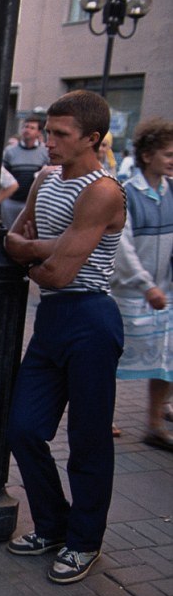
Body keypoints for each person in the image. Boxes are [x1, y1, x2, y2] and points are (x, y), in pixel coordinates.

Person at [4, 90, 127, 584]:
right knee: (24, 428)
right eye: (47, 132)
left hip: (92, 318)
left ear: (92, 139)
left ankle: (84, 541)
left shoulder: (103, 191)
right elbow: (16, 241)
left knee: (89, 438)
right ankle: (53, 525)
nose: (48, 142)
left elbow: (56, 272)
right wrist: (44, 250)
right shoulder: (45, 178)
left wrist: (35, 253)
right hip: (53, 319)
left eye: (60, 135)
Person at [112, 118, 173, 451]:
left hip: (164, 291)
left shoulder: (172, 191)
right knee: (114, 357)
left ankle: (154, 424)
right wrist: (145, 284)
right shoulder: (127, 193)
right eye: (167, 153)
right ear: (147, 155)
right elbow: (124, 246)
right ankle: (102, 415)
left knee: (165, 359)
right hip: (130, 294)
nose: (172, 159)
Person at [0, 115, 50, 228]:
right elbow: (3, 175)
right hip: (12, 201)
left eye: (32, 128)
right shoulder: (10, 151)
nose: (27, 130)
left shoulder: (45, 151)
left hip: (33, 202)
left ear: (38, 132)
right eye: (25, 127)